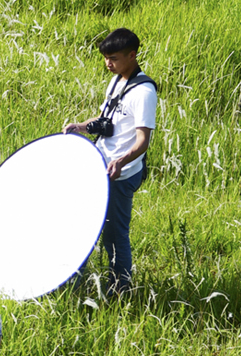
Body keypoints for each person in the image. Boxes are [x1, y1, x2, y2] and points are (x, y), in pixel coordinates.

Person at [61, 28, 157, 295]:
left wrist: (120, 162)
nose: (108, 63)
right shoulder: (116, 81)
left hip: (121, 175)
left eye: (113, 58)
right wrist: (82, 126)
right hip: (99, 167)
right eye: (105, 58)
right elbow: (107, 120)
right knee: (82, 227)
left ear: (132, 55)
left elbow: (142, 141)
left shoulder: (144, 92)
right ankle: (72, 285)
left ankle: (120, 291)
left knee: (114, 236)